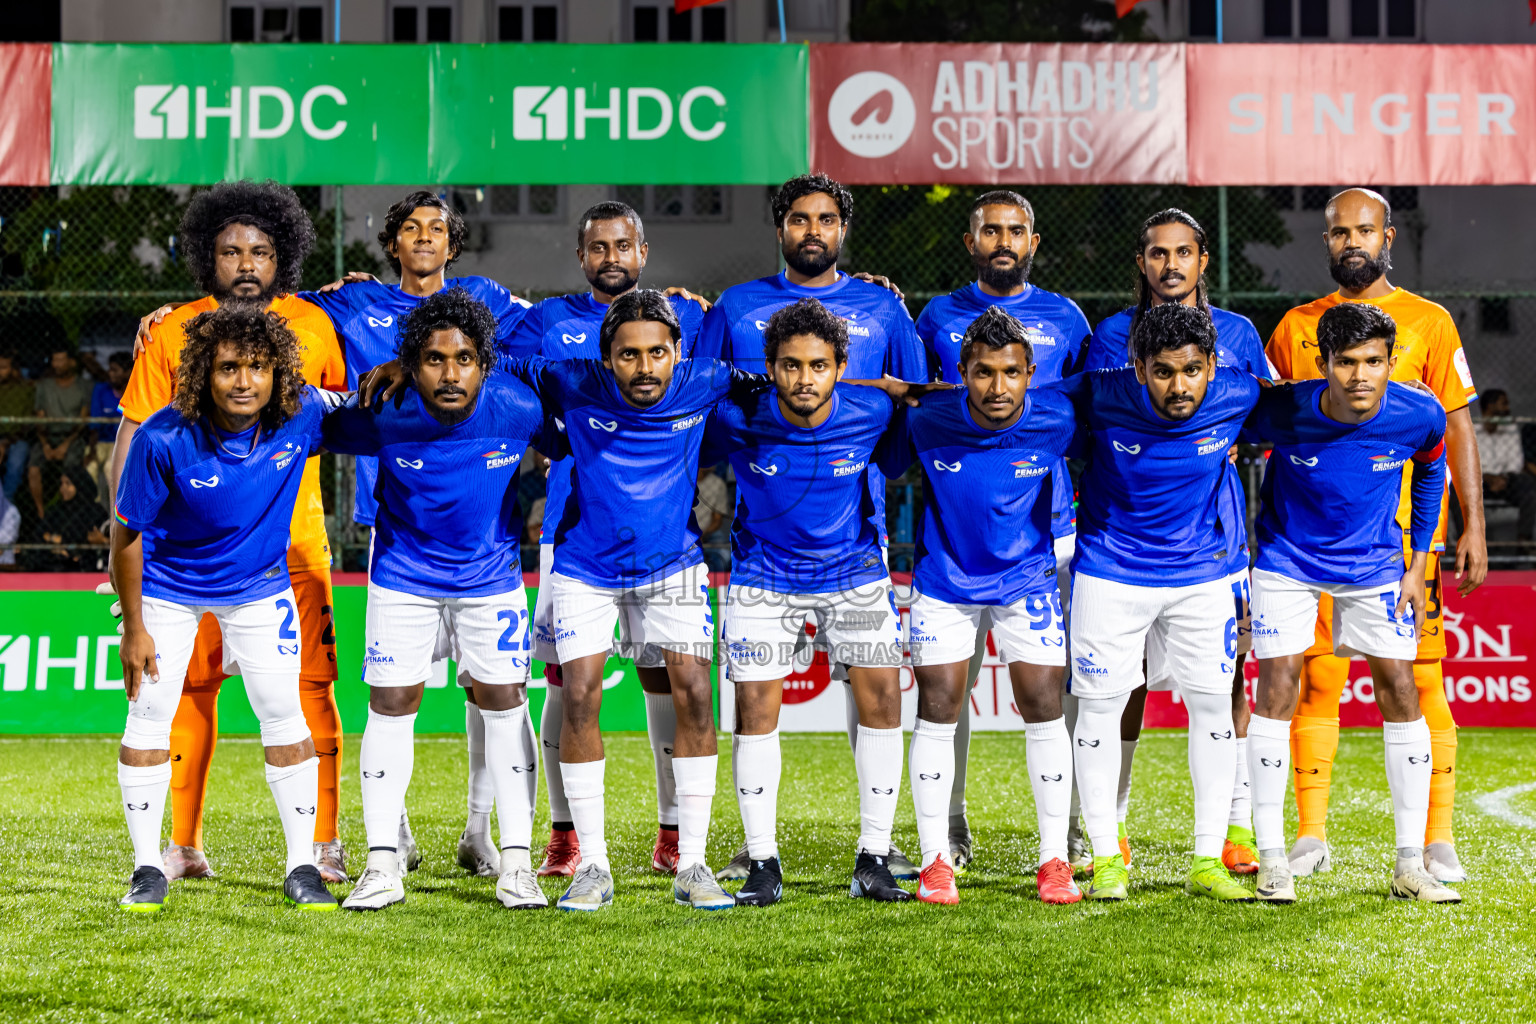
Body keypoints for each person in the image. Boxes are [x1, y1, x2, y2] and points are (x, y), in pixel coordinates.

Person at [363, 290, 748, 911]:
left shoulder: (710, 379)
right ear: (604, 356)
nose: (644, 367)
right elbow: (479, 361)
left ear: (680, 353)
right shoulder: (569, 377)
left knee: (696, 691)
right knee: (578, 696)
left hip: (674, 564)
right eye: (628, 354)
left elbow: (793, 380)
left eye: (657, 353)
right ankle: (590, 864)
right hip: (583, 568)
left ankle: (694, 862)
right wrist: (409, 365)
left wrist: (885, 390)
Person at [110, 180, 350, 883]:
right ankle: (177, 845)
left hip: (290, 538)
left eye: (261, 252)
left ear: (285, 259)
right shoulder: (170, 330)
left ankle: (321, 844)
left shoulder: (315, 326)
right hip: (180, 549)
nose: (246, 264)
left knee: (308, 687)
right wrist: (121, 539)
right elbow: (137, 442)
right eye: (230, 251)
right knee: (188, 688)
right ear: (204, 258)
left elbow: (345, 412)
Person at [295, 190, 538, 880]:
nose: (425, 238)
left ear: (453, 244)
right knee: (392, 690)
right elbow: (281, 311)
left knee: (488, 687)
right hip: (393, 520)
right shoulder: (354, 301)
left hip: (477, 520)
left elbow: (539, 341)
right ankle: (391, 832)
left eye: (437, 229)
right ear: (392, 243)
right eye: (411, 229)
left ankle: (479, 830)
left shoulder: (483, 299)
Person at [697, 173, 927, 881]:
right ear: (780, 228)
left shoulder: (882, 307)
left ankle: (876, 848)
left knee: (880, 692)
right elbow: (701, 396)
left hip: (855, 548)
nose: (813, 230)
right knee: (755, 703)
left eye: (827, 219)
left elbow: (913, 404)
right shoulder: (736, 308)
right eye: (800, 218)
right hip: (765, 549)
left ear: (843, 229)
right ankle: (760, 854)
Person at [1266, 187, 1485, 884]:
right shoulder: (1296, 327)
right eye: (1337, 233)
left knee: (1419, 679)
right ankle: (1308, 836)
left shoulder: (1430, 321)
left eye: (1363, 230)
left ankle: (1436, 838)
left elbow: (1452, 430)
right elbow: (1273, 424)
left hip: (1396, 551)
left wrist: (1469, 524)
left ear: (1388, 236)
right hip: (1308, 543)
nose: (1350, 242)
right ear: (1326, 240)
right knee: (1315, 678)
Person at [322, 289, 552, 912]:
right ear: (409, 363)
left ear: (486, 363)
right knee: (391, 707)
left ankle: (518, 864)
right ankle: (381, 864)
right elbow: (299, 428)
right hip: (402, 576)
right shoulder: (383, 409)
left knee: (505, 704)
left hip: (491, 579)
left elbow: (579, 428)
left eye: (465, 359)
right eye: (432, 359)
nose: (450, 374)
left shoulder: (519, 407)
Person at [508, 201, 709, 880]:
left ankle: (676, 834)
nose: (610, 256)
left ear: (644, 251)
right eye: (597, 247)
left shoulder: (689, 319)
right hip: (575, 536)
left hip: (661, 538)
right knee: (568, 688)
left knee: (668, 683)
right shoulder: (547, 323)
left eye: (623, 245)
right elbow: (495, 371)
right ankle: (566, 837)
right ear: (581, 256)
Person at [1081, 208, 1275, 879]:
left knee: (1227, 686)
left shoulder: (1243, 337)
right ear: (1141, 261)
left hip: (1214, 546)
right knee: (1119, 688)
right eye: (1158, 253)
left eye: (1183, 253)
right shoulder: (1110, 338)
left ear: (1202, 261)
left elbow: (1272, 418)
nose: (1171, 266)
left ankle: (1236, 826)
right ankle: (1113, 829)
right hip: (1120, 547)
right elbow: (1087, 419)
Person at [1244, 303, 1459, 904]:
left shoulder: (1419, 412)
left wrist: (1419, 564)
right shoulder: (1282, 411)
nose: (1360, 375)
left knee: (1401, 690)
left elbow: (1430, 473)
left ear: (1393, 363)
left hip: (1376, 566)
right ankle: (1272, 859)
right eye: (1345, 362)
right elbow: (1217, 445)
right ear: (1324, 363)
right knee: (1280, 686)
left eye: (1373, 361)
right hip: (1287, 563)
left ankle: (1410, 865)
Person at [912, 189, 1089, 871]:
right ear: (971, 242)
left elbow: (1087, 414)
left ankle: (1068, 828)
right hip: (955, 535)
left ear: (1034, 242)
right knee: (945, 690)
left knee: (1051, 688)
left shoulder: (1066, 318)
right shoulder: (936, 318)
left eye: (1016, 230)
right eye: (991, 231)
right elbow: (918, 405)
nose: (1004, 241)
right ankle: (950, 821)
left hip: (1044, 538)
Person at [882, 306, 1082, 906]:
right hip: (945, 583)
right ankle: (935, 860)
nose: (999, 388)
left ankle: (1054, 861)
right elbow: (886, 434)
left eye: (1012, 373)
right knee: (938, 708)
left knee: (1045, 707)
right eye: (984, 373)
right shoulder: (929, 420)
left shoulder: (1059, 418)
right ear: (961, 373)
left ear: (1031, 373)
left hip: (1029, 581)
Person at [1061, 302, 1256, 903]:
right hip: (1110, 573)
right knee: (1098, 710)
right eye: (1165, 371)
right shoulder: (1098, 395)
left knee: (1212, 710)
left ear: (1213, 366)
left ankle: (1206, 859)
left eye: (1193, 371)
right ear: (1138, 367)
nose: (1180, 386)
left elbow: (1318, 419)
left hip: (1204, 576)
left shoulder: (1241, 395)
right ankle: (1105, 857)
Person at [28, 346, 92, 520]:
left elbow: (82, 421)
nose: (55, 364)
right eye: (54, 360)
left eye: (60, 360)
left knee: (70, 468)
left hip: (73, 437)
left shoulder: (84, 386)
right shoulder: (44, 386)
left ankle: (66, 510)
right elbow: (39, 419)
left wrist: (65, 445)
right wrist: (45, 445)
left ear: (72, 362)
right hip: (47, 438)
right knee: (33, 468)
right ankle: (42, 514)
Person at [1474, 389, 1536, 544]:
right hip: (1478, 482)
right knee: (1455, 489)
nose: (1508, 409)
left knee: (1528, 485)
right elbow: (1468, 463)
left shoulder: (1510, 429)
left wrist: (1502, 478)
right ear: (1490, 406)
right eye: (1504, 404)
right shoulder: (1472, 430)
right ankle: (1470, 544)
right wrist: (1487, 478)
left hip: (1506, 481)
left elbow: (1515, 463)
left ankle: (1524, 540)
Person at [40, 467, 109, 571]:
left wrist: (103, 541)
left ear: (79, 485)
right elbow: (41, 533)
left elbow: (92, 537)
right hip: (56, 563)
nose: (63, 488)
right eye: (61, 483)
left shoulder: (95, 511)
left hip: (88, 564)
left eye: (68, 483)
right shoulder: (56, 510)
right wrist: (54, 539)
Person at [86, 352, 131, 499]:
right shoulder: (101, 390)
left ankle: (114, 515)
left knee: (110, 468)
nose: (110, 374)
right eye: (109, 369)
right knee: (90, 467)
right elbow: (95, 422)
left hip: (124, 443)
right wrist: (92, 451)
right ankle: (94, 512)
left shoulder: (135, 390)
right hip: (101, 441)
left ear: (127, 372)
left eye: (115, 370)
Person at [0, 351, 35, 501]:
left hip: (17, 439)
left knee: (15, 464)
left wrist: (5, 443)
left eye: (3, 367)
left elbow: (26, 425)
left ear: (14, 369)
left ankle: (4, 507)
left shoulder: (26, 389)